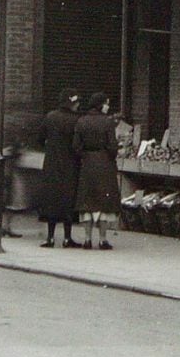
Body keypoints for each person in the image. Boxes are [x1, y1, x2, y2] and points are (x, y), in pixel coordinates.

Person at [74, 91, 122, 249]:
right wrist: (110, 154)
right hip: (104, 163)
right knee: (104, 203)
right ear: (101, 104)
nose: (108, 107)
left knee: (87, 202)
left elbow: (76, 146)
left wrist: (85, 155)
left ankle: (87, 239)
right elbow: (112, 146)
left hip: (87, 163)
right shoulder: (108, 123)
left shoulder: (81, 121)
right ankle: (102, 240)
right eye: (107, 103)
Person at [35, 89, 81, 247]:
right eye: (76, 103)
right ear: (72, 103)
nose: (78, 105)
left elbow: (40, 138)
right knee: (68, 200)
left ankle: (50, 237)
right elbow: (78, 144)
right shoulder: (77, 120)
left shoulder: (50, 117)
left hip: (52, 163)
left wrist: (49, 147)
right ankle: (67, 238)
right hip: (70, 164)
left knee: (51, 199)